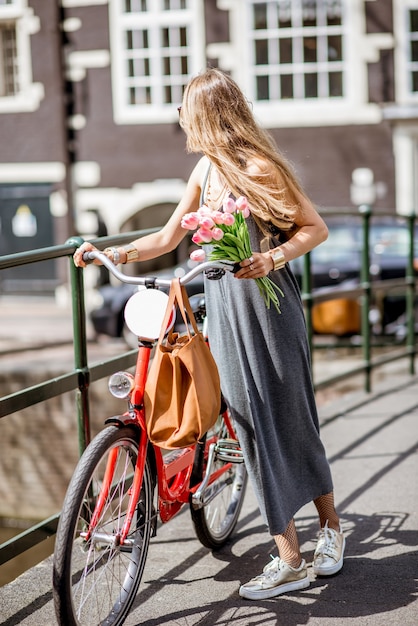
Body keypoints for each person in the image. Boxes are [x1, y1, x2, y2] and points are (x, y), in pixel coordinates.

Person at [74, 68, 345, 601]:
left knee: (290, 418)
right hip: (223, 306)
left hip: (267, 308)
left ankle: (330, 531)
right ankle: (291, 554)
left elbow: (315, 227)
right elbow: (167, 236)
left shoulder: (257, 168)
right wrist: (111, 251)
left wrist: (271, 256)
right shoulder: (207, 170)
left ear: (205, 114)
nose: (179, 117)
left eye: (183, 108)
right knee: (246, 422)